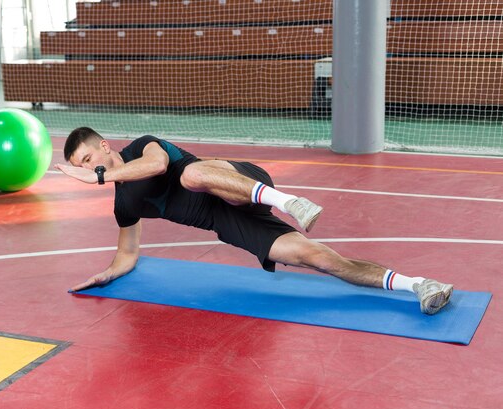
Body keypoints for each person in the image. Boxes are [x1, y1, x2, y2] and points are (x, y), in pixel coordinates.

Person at [55, 127, 454, 315]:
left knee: (191, 175)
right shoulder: (124, 205)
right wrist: (106, 274)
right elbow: (128, 253)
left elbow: (158, 165)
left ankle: (290, 201)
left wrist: (99, 175)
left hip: (237, 182)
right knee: (318, 258)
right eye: (80, 167)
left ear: (104, 147)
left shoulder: (142, 147)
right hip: (230, 222)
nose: (87, 169)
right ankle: (420, 285)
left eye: (88, 159)